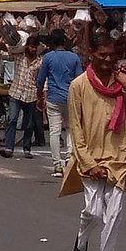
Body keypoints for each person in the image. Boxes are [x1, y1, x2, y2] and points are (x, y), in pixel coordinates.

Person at [62, 31, 126, 251]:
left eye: (111, 55)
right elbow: (76, 128)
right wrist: (88, 162)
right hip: (90, 158)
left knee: (114, 215)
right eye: (102, 54)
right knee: (93, 212)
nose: (107, 60)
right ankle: (81, 242)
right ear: (91, 54)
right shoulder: (79, 86)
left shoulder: (120, 84)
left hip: (119, 156)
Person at [38, 29, 83, 176]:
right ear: (64, 42)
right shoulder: (74, 57)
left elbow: (40, 80)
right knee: (71, 129)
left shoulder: (48, 57)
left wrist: (39, 96)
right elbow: (80, 79)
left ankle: (57, 164)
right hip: (71, 97)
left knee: (54, 132)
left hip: (53, 98)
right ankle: (70, 158)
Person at [1, 34, 43, 159]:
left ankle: (27, 148)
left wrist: (41, 95)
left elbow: (41, 79)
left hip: (31, 94)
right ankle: (9, 148)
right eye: (31, 47)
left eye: (34, 47)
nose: (33, 49)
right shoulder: (19, 57)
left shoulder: (40, 61)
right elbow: (0, 54)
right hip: (16, 92)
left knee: (29, 124)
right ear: (26, 47)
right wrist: (0, 44)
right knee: (12, 119)